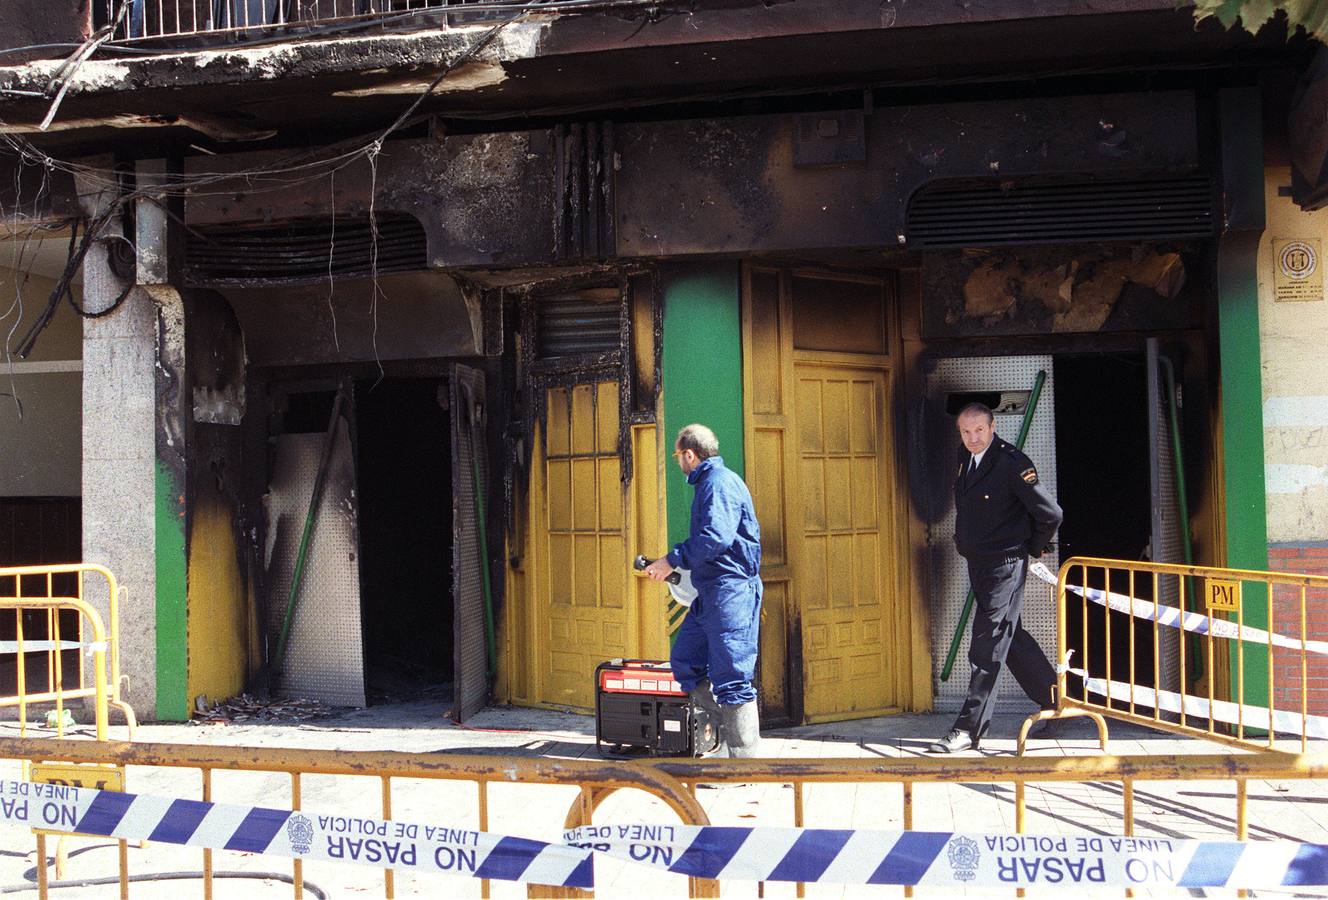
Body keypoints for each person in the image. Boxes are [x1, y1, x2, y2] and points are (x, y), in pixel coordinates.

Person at [929, 402, 1062, 753]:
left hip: (1005, 564)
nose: (973, 438)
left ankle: (968, 730)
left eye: (979, 431)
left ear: (992, 428)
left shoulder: (1011, 463)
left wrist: (1031, 548)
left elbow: (1050, 513)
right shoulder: (965, 457)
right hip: (979, 562)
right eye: (966, 432)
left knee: (986, 645)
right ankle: (1057, 702)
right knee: (1009, 635)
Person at [644, 424, 763, 757]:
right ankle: (719, 742)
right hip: (713, 593)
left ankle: (742, 761)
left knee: (732, 674)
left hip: (730, 593)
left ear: (689, 454)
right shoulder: (712, 483)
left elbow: (715, 538)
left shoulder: (718, 484)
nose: (678, 463)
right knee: (685, 660)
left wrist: (672, 560)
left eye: (677, 456)